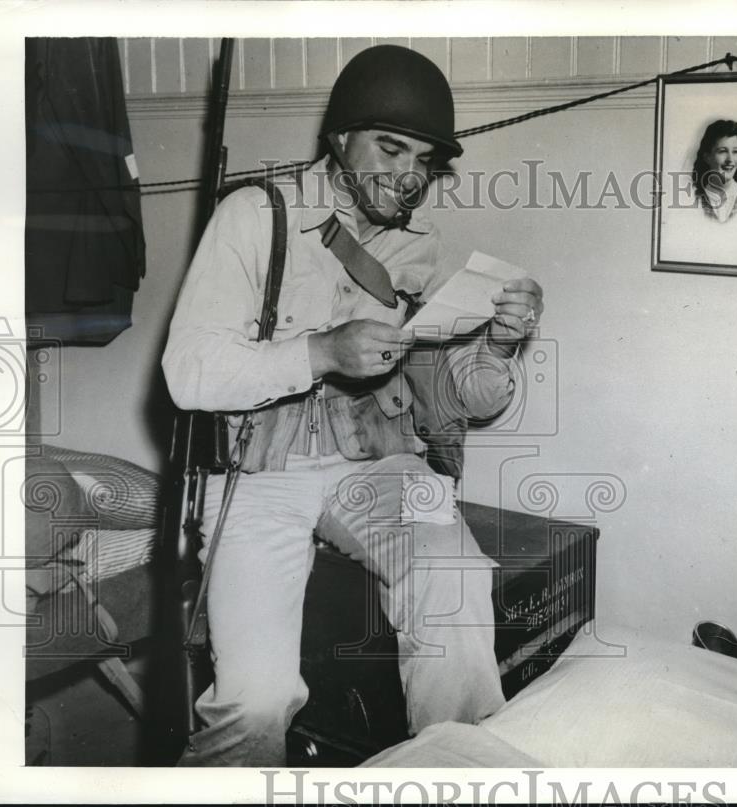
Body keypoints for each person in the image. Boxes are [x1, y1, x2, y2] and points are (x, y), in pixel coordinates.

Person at [162, 44, 544, 766]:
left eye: (424, 160)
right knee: (255, 700)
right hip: (256, 475)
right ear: (339, 139)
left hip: (377, 462)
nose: (408, 177)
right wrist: (321, 352)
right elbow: (189, 372)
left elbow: (454, 395)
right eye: (390, 148)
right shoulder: (254, 216)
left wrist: (498, 344)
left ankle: (457, 773)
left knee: (457, 583)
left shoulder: (419, 248)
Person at [692, 119, 737, 223]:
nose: (730, 160)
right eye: (722, 151)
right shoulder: (694, 200)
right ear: (707, 157)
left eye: (735, 151)